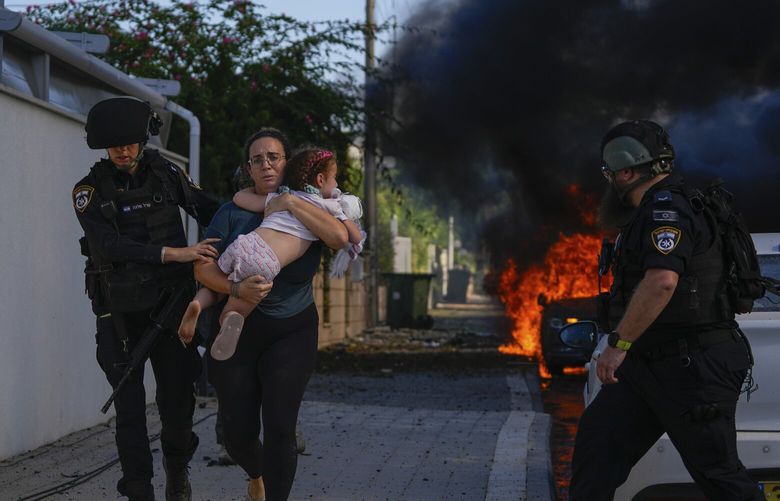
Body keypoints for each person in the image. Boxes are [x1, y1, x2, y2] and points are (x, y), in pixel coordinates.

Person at [569, 120, 763, 500]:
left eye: (610, 173)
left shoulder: (666, 209)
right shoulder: (651, 211)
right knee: (597, 455)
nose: (609, 181)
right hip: (646, 367)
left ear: (627, 171)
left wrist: (617, 345)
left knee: (719, 476)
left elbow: (662, 281)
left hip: (693, 367)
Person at [72, 97, 221, 501]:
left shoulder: (167, 174)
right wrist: (175, 254)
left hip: (171, 308)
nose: (123, 149)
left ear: (143, 139)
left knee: (177, 405)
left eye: (131, 141)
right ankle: (139, 490)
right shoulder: (87, 191)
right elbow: (109, 245)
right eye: (115, 143)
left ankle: (176, 470)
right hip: (119, 315)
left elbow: (210, 211)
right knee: (131, 411)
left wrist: (263, 220)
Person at [192, 128, 350, 501]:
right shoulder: (230, 214)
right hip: (238, 330)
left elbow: (340, 237)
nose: (265, 165)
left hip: (291, 330)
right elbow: (203, 269)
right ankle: (255, 473)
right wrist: (235, 290)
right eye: (257, 159)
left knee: (281, 426)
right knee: (237, 434)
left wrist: (291, 204)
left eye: (273, 157)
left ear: (288, 163)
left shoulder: (311, 207)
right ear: (249, 168)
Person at [178, 148, 363, 360]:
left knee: (217, 283)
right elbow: (353, 237)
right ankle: (230, 318)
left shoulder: (283, 196)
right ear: (321, 179)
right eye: (335, 179)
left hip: (246, 244)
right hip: (267, 262)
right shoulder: (329, 207)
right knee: (238, 305)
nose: (337, 185)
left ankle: (197, 304)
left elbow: (241, 198)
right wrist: (348, 217)